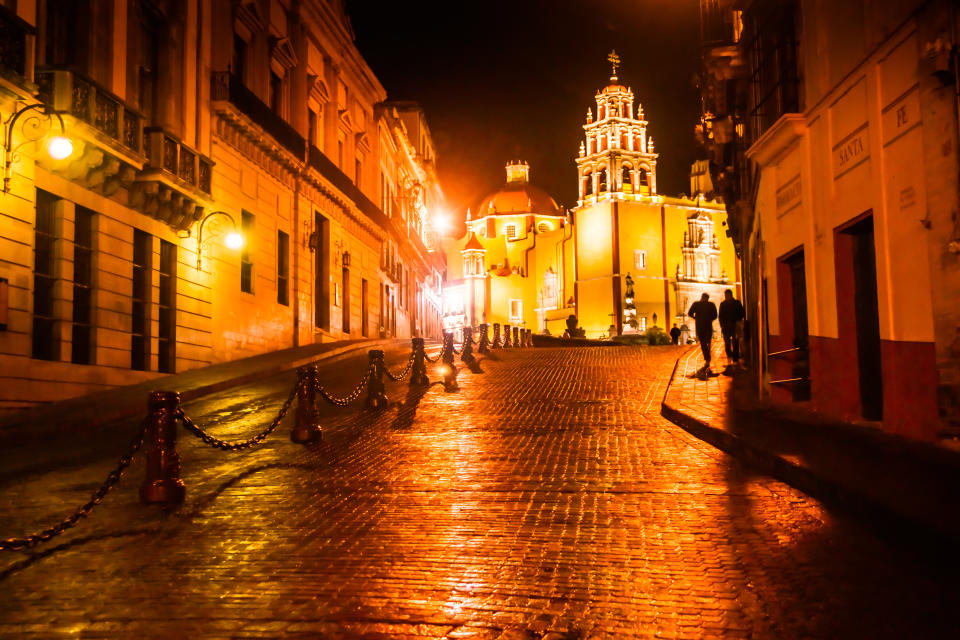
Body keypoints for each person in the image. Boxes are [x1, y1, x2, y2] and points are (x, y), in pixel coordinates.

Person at [688, 293, 718, 367]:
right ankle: (707, 357)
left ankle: (707, 358)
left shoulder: (696, 304)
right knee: (707, 342)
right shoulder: (711, 304)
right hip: (707, 325)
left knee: (703, 342)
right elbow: (715, 315)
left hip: (700, 325)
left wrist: (696, 318)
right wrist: (710, 319)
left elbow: (690, 313)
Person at [718, 289, 746, 363]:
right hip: (726, 326)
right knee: (727, 343)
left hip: (735, 326)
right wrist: (722, 325)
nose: (727, 296)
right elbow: (720, 316)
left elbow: (742, 313)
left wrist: (738, 320)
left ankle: (735, 358)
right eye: (726, 295)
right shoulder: (723, 304)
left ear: (731, 295)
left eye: (728, 295)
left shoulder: (737, 303)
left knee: (735, 342)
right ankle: (729, 355)